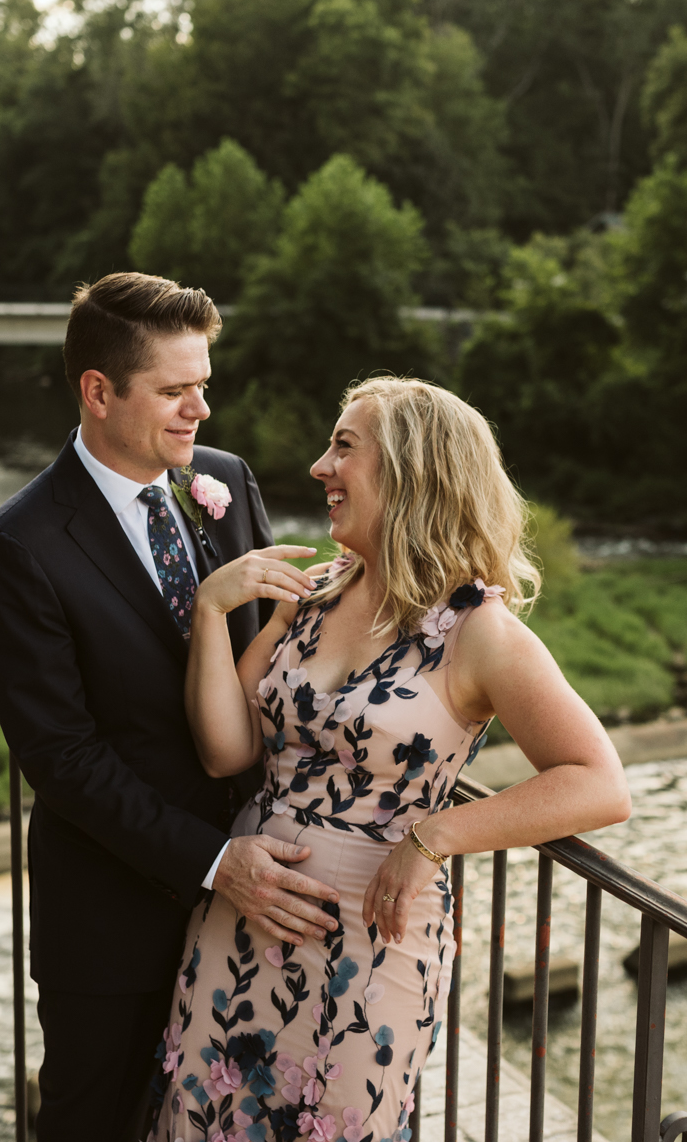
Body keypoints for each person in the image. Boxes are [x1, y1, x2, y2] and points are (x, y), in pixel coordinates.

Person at [150, 377, 631, 1142]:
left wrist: (432, 836)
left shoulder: (480, 630)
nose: (319, 466)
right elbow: (226, 750)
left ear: (411, 470)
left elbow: (599, 783)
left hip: (370, 950)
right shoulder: (312, 596)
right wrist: (213, 610)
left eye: (344, 446)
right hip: (242, 920)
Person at [0, 273, 348, 1140]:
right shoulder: (19, 545)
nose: (201, 411)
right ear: (98, 392)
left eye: (204, 385)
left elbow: (284, 656)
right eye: (176, 391)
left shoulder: (222, 480)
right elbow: (62, 759)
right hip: (113, 922)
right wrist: (218, 861)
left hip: (263, 911)